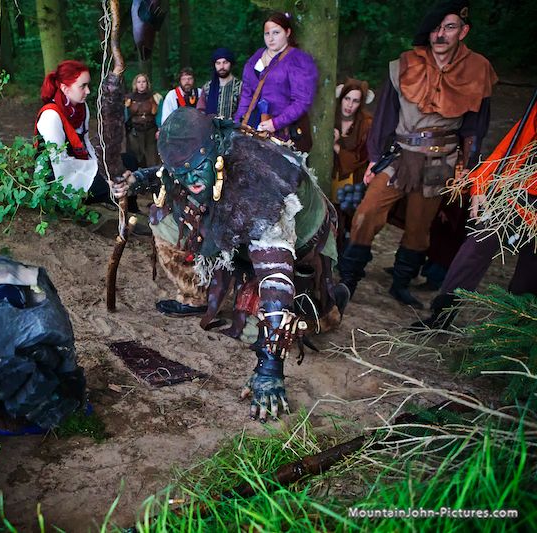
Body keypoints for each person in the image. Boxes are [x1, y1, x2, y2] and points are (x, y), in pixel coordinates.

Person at [117, 108, 348, 421]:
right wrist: (140, 179)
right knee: (165, 220)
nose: (190, 180)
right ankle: (196, 295)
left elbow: (275, 278)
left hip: (299, 242)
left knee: (287, 327)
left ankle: (329, 304)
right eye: (182, 173)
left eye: (196, 169)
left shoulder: (257, 185)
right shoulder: (200, 160)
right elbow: (175, 171)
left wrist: (269, 370)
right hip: (242, 225)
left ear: (215, 152)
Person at [338, 0, 497, 309]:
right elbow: (385, 114)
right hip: (399, 154)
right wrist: (374, 157)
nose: (441, 34)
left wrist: (467, 166)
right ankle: (348, 279)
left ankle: (400, 284)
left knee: (419, 227)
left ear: (463, 31)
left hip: (441, 160)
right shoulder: (405, 63)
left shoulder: (478, 69)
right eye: (436, 28)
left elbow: (476, 127)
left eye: (449, 27)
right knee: (367, 212)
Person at [416, 92, 537, 329]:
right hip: (515, 192)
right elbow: (508, 148)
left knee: (530, 272)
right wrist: (480, 185)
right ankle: (443, 314)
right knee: (476, 246)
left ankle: (513, 331)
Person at [234, 12, 318, 152]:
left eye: (276, 33)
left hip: (281, 131)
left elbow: (302, 101)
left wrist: (275, 123)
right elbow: (246, 94)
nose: (271, 38)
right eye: (267, 34)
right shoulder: (256, 57)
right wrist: (238, 123)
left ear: (287, 32)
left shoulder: (298, 60)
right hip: (251, 126)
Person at [34, 60, 113, 203]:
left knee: (128, 161)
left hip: (79, 166)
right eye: (83, 86)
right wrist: (96, 171)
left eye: (88, 85)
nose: (88, 91)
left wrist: (100, 165)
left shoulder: (82, 108)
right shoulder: (51, 116)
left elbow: (85, 142)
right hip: (57, 177)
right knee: (112, 187)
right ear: (65, 89)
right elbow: (59, 161)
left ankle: (133, 211)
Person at [332, 78, 374, 251]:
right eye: (347, 99)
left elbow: (363, 156)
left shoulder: (366, 124)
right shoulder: (330, 116)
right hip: (331, 174)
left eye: (355, 101)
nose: (349, 105)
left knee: (348, 218)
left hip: (352, 178)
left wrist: (336, 146)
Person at [124, 73, 161, 168]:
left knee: (152, 158)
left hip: (151, 131)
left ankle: (153, 176)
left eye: (144, 82)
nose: (141, 84)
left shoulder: (154, 97)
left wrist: (160, 128)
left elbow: (159, 114)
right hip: (135, 131)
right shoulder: (129, 99)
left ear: (147, 83)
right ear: (135, 84)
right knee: (136, 158)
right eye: (139, 82)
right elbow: (125, 115)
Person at [196, 47, 242, 119]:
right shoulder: (207, 87)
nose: (222, 67)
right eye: (218, 63)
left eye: (225, 62)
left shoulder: (240, 86)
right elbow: (200, 111)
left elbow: (243, 111)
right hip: (210, 125)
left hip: (234, 125)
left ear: (231, 64)